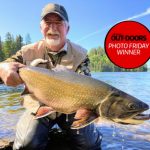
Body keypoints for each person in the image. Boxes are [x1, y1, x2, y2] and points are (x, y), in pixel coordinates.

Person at [0, 3, 102, 150]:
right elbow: (6, 66)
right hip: (38, 107)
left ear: (67, 28)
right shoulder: (26, 52)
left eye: (58, 22)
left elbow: (88, 88)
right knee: (26, 145)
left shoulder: (81, 56)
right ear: (41, 28)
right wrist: (2, 69)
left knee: (90, 144)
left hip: (71, 110)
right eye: (48, 22)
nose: (53, 27)